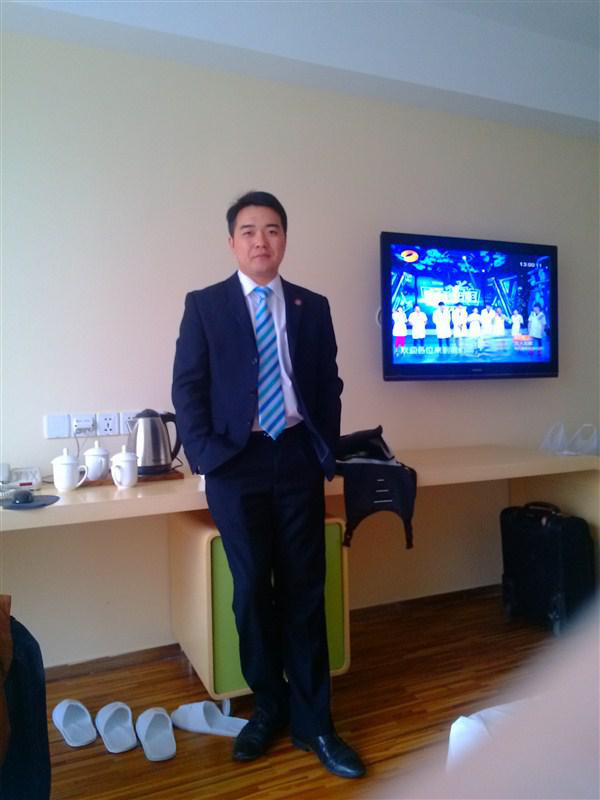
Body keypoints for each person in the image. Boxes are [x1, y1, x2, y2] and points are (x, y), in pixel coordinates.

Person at [172, 191, 364, 779]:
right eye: (250, 231)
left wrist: (322, 446)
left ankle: (314, 722)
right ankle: (267, 706)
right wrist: (208, 458)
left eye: (273, 229)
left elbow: (327, 383)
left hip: (296, 455)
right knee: (252, 589)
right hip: (237, 464)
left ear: (284, 238)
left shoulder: (312, 305)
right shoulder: (205, 305)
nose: (262, 240)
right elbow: (187, 387)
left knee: (306, 589)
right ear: (232, 242)